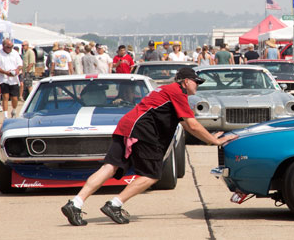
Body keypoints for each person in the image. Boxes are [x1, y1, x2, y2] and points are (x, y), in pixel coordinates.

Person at [60, 68, 237, 226]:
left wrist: (208, 138)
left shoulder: (166, 90)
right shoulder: (177, 92)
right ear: (185, 82)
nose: (198, 85)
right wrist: (215, 141)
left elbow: (185, 125)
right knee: (151, 175)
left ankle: (75, 203)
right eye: (196, 82)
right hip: (141, 131)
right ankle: (115, 204)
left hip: (126, 126)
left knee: (109, 167)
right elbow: (192, 125)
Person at [0, 39, 23, 118]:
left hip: (14, 79)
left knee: (14, 98)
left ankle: (14, 110)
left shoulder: (15, 53)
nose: (10, 48)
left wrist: (17, 70)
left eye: (11, 47)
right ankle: (5, 115)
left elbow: (20, 64)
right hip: (3, 78)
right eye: (8, 47)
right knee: (5, 96)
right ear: (4, 46)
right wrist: (5, 72)